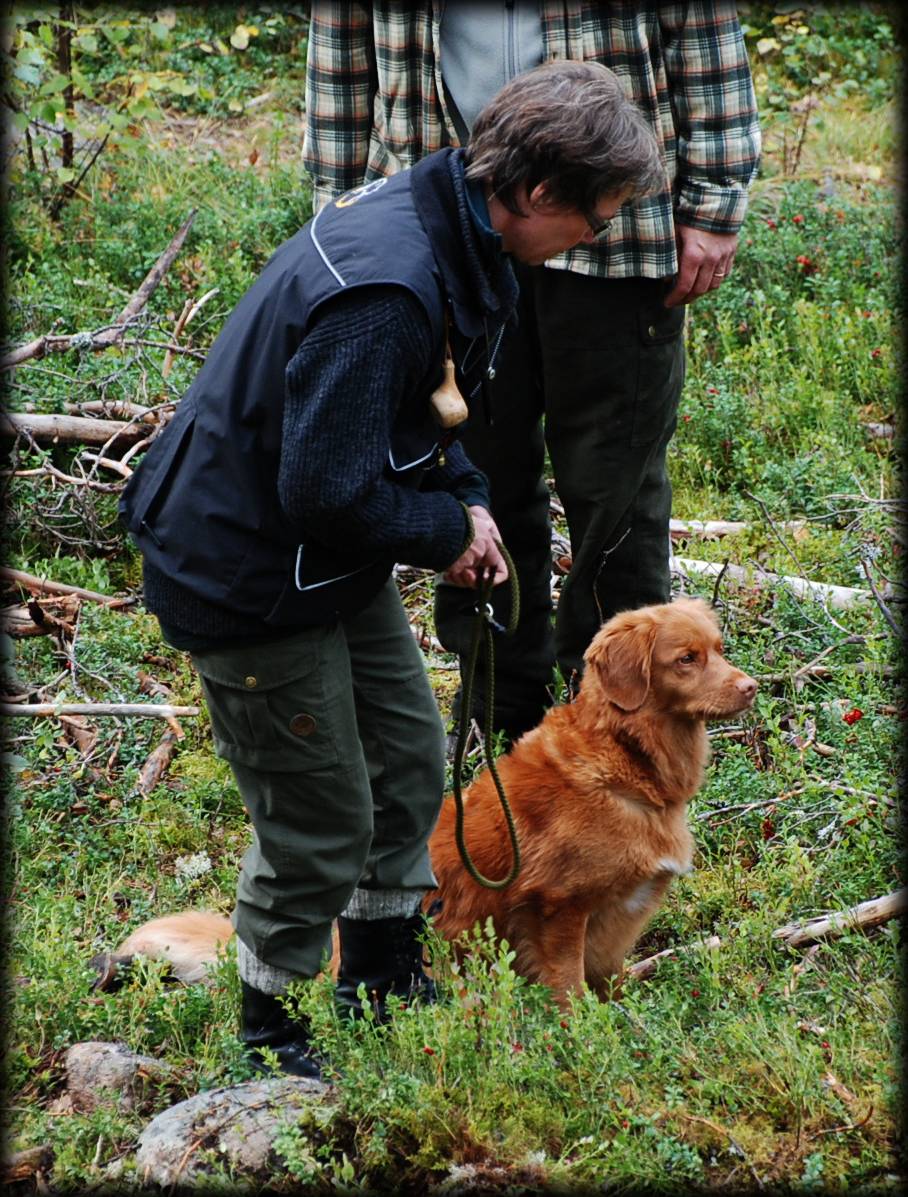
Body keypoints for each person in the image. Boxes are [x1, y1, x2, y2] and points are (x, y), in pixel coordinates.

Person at [120, 60, 665, 1078]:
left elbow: (429, 404)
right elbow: (323, 487)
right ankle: (272, 1031)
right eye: (594, 219)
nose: (592, 240)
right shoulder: (387, 287)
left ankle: (380, 970)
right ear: (539, 192)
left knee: (412, 759)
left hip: (325, 559)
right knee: (319, 815)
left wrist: (458, 496)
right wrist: (442, 535)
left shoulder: (452, 228)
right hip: (248, 573)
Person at [303, 2, 761, 743]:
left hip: (619, 227)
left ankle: (627, 723)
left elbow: (703, 27)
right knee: (472, 472)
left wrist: (713, 199)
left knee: (617, 492)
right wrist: (342, 219)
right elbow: (341, 49)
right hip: (448, 223)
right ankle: (495, 711)